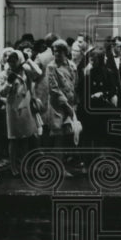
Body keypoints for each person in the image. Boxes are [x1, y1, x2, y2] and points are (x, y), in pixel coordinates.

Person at [0, 48, 42, 177]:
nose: (12, 64)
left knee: (25, 137)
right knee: (13, 139)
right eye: (10, 61)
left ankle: (24, 165)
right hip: (13, 108)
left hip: (26, 107)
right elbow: (2, 92)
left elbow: (38, 73)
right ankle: (13, 166)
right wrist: (8, 82)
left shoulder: (25, 71)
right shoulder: (5, 73)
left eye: (14, 61)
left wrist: (28, 60)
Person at [45, 40, 80, 175]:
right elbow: (54, 88)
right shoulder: (51, 67)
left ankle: (61, 165)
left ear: (65, 52)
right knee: (58, 138)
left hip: (70, 105)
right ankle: (59, 168)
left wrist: (73, 104)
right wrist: (66, 105)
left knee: (67, 136)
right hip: (57, 106)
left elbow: (74, 84)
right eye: (55, 51)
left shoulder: (72, 66)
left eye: (59, 51)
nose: (56, 54)